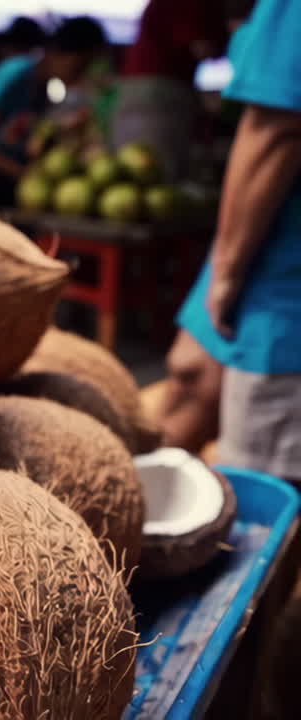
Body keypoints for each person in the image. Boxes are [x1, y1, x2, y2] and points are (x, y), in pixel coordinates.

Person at [175, 0, 301, 482]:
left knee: (262, 493)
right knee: (190, 374)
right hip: (265, 260)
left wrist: (228, 272)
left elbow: (277, 131)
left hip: (280, 295)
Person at [0, 17, 107, 210]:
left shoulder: (44, 89)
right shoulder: (16, 74)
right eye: (81, 65)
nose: (82, 74)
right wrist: (27, 174)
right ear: (63, 54)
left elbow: (26, 138)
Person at [113, 0, 228, 182]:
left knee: (136, 171)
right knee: (154, 173)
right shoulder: (192, 5)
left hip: (142, 89)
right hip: (158, 93)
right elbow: (203, 48)